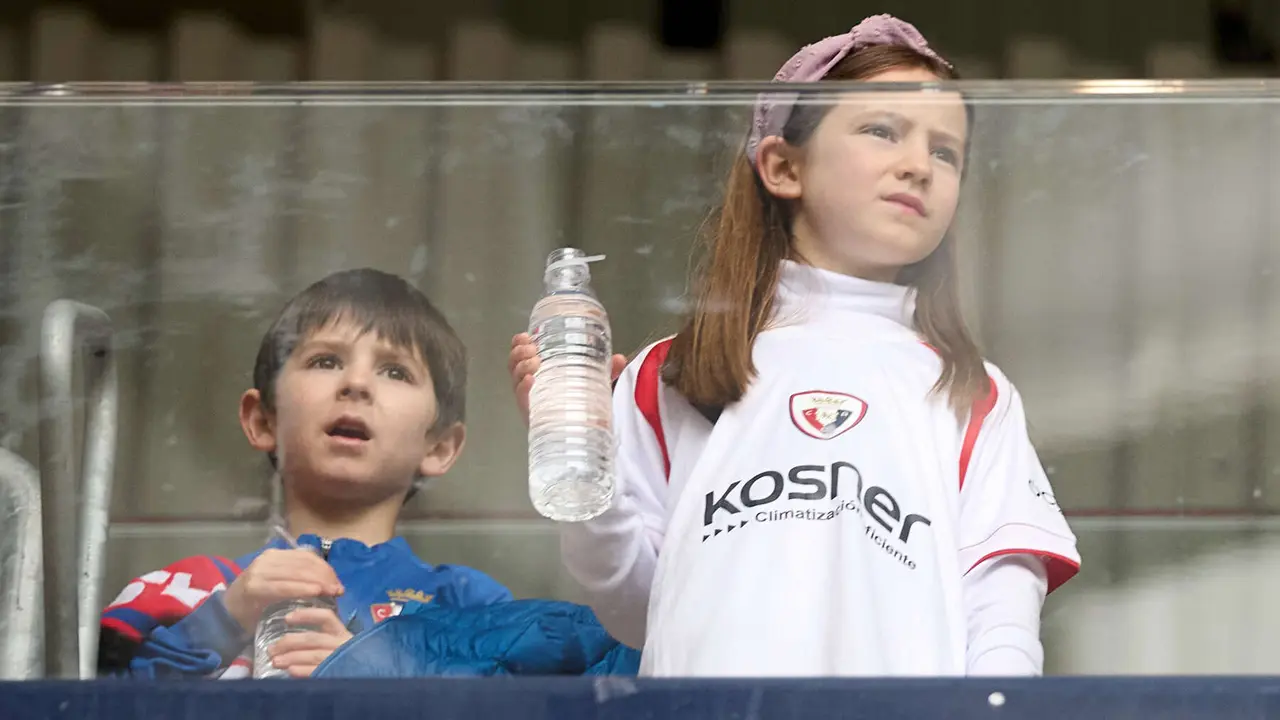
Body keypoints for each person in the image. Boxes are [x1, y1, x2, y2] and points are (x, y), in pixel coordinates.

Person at [508, 14, 1080, 677]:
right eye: (882, 130)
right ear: (782, 165)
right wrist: (589, 470)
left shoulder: (974, 392)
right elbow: (636, 611)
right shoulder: (671, 371)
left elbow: (1002, 611)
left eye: (946, 152)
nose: (919, 166)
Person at [100, 268, 511, 679]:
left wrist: (372, 677)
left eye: (395, 371)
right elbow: (88, 703)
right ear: (263, 421)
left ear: (438, 447)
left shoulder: (468, 606)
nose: (356, 383)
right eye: (325, 361)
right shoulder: (186, 589)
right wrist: (224, 620)